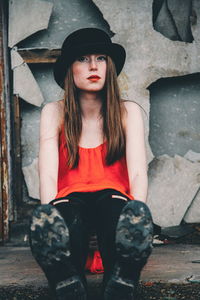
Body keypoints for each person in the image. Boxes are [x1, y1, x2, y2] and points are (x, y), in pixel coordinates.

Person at [29, 28, 153, 300]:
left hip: (114, 205)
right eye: (83, 59)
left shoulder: (128, 112)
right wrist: (53, 222)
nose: (94, 66)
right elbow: (48, 177)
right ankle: (66, 283)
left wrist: (134, 219)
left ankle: (121, 281)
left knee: (112, 210)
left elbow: (137, 173)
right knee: (69, 216)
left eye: (101, 58)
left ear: (110, 66)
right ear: (69, 69)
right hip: (71, 207)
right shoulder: (54, 112)